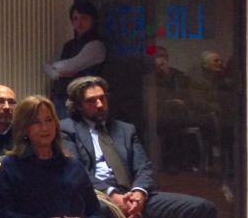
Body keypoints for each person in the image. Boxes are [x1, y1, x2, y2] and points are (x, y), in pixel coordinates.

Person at [60, 76, 217, 218]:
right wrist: (111, 194)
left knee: (202, 207)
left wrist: (139, 193)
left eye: (102, 98)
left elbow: (144, 167)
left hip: (133, 194)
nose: (100, 105)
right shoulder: (67, 129)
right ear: (78, 105)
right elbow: (78, 171)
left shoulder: (126, 129)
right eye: (91, 101)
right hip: (98, 196)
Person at [0, 95, 99, 218]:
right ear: (24, 127)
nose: (44, 128)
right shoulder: (11, 166)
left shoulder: (73, 167)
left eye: (49, 120)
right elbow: (2, 213)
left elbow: (95, 211)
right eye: (36, 122)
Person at [45, 2, 106, 119]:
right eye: (75, 19)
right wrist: (58, 74)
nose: (79, 23)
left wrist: (56, 67)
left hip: (82, 100)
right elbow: (47, 66)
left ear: (92, 20)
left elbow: (70, 66)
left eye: (84, 18)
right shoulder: (69, 45)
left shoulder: (96, 45)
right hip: (60, 97)